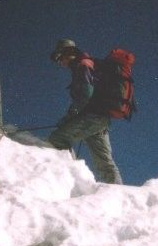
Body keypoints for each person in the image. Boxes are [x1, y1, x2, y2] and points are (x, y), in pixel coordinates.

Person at [48, 39, 123, 184]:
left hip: (92, 117)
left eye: (59, 58)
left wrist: (69, 117)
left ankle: (68, 177)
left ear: (67, 53)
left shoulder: (82, 67)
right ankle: (118, 194)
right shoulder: (89, 64)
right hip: (101, 120)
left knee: (57, 138)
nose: (60, 63)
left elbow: (85, 96)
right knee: (105, 163)